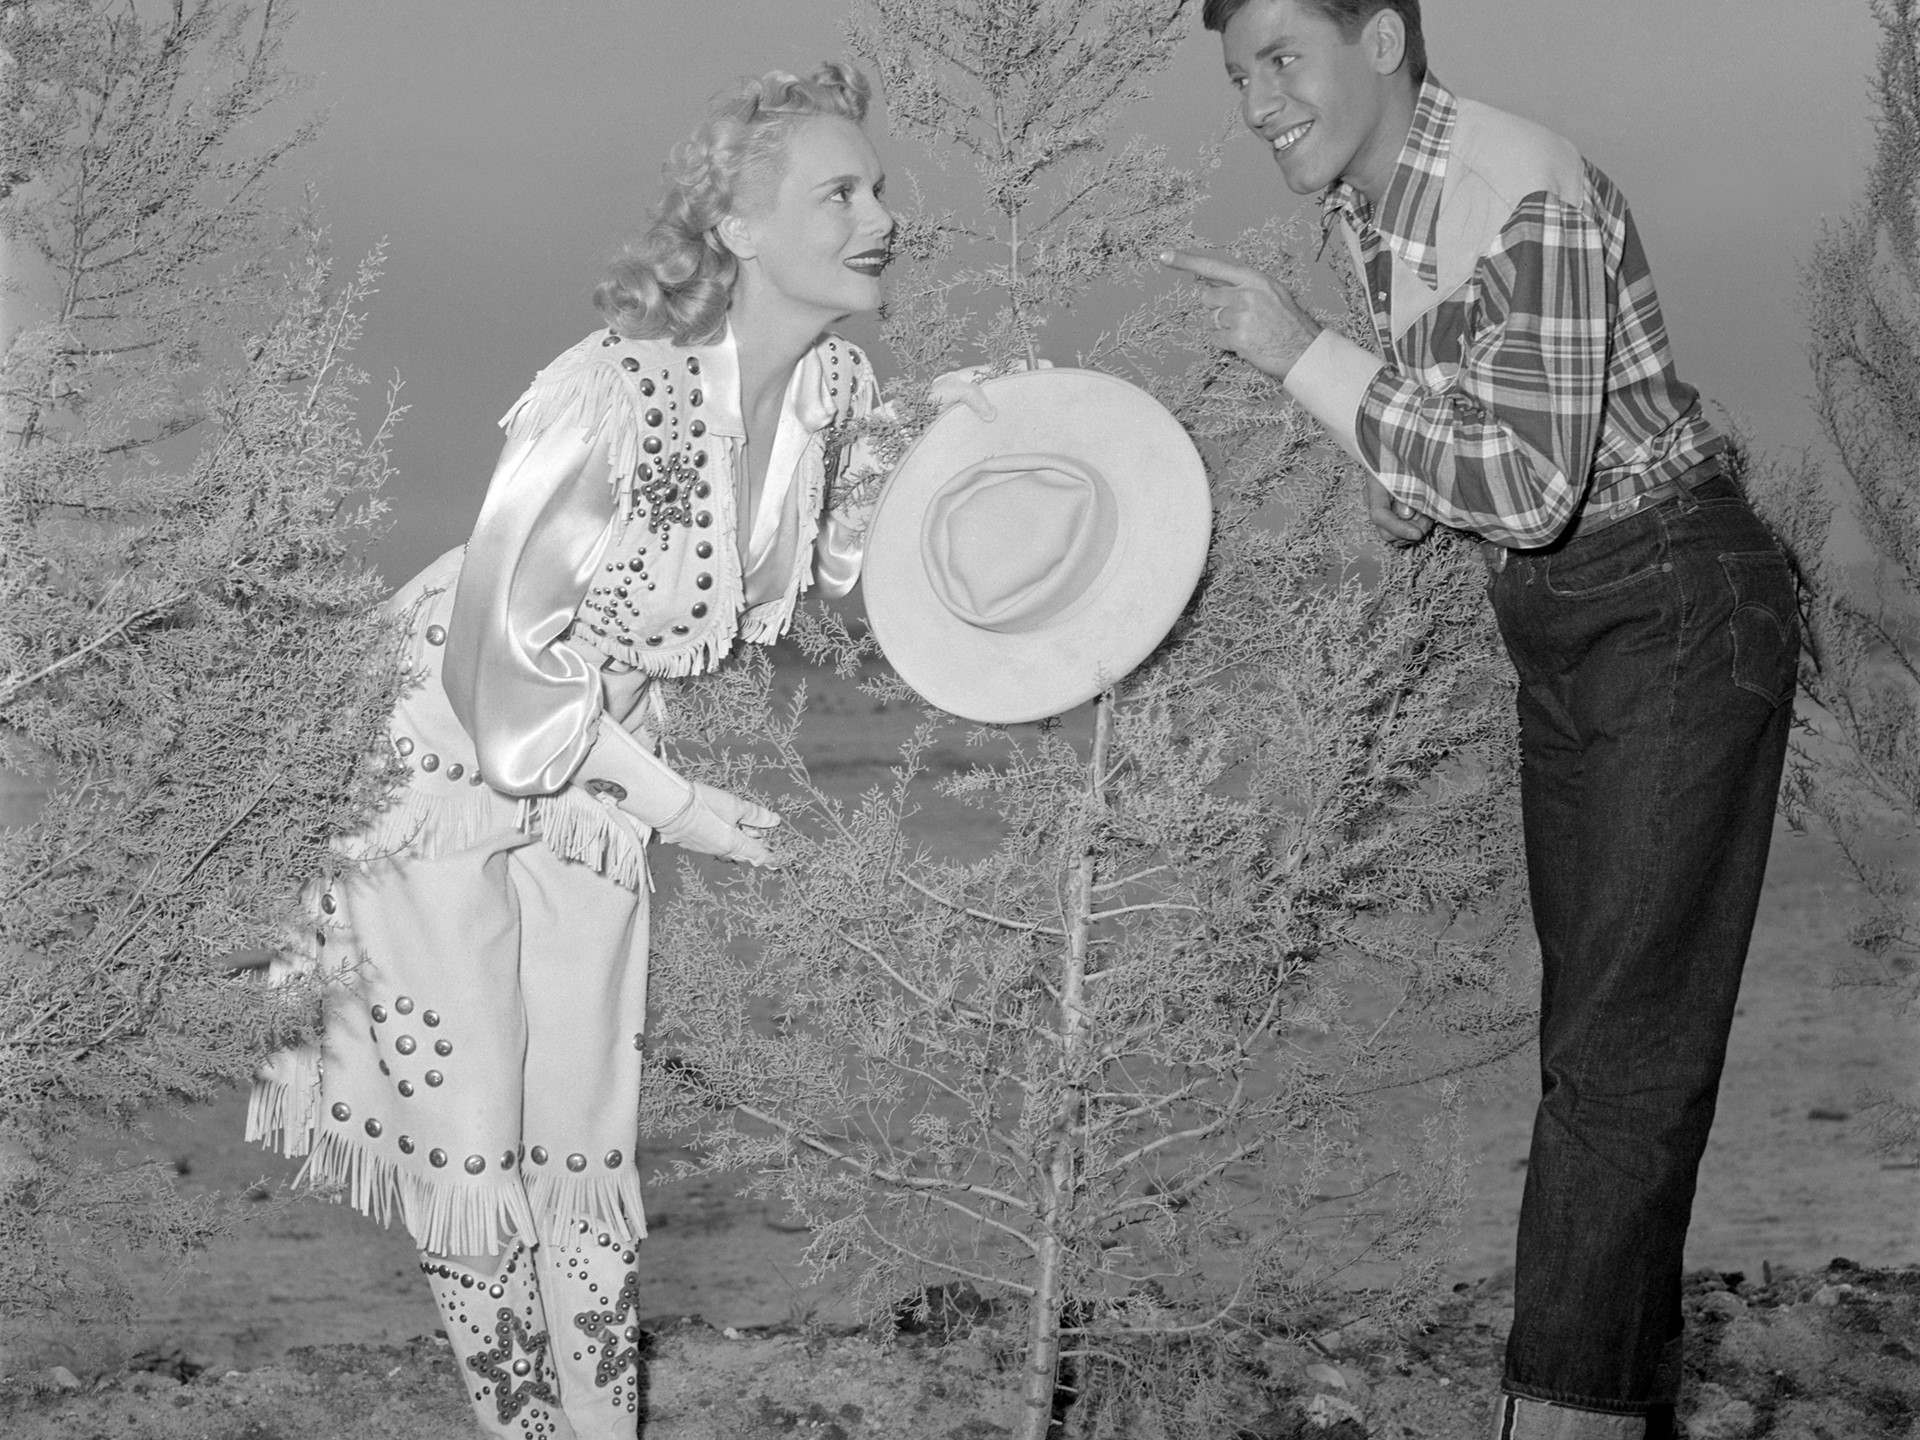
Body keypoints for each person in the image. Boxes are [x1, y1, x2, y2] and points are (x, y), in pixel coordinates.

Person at [1161, 3, 1799, 1437]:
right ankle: (1598, 1407)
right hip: (1574, 615)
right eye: (1239, 76)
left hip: (1673, 599)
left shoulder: (1516, 183)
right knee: (1603, 1058)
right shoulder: (1372, 214)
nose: (1260, 100)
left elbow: (1525, 488)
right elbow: (1467, 467)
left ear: (1382, 38)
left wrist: (1304, 358)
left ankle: (1553, 1419)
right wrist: (1394, 468)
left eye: (1283, 58)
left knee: (1618, 1063)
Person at [248, 62, 896, 1440]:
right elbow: (497, 669)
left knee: (583, 1147)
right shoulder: (614, 400)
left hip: (594, 765)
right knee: (478, 1149)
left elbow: (844, 579)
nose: (878, 214)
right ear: (738, 226)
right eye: (839, 190)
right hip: (431, 760)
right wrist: (680, 804)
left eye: (877, 186)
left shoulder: (836, 391)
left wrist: (956, 458)